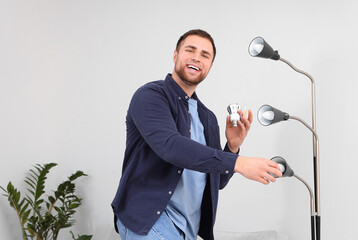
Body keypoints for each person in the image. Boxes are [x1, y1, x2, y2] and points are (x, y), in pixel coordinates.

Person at [111, 29, 282, 240]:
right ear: (175, 55)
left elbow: (215, 181)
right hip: (150, 221)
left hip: (186, 230)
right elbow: (170, 146)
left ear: (210, 66)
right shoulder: (151, 96)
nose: (196, 57)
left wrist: (232, 146)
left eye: (205, 55)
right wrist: (238, 162)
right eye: (190, 50)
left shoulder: (207, 117)